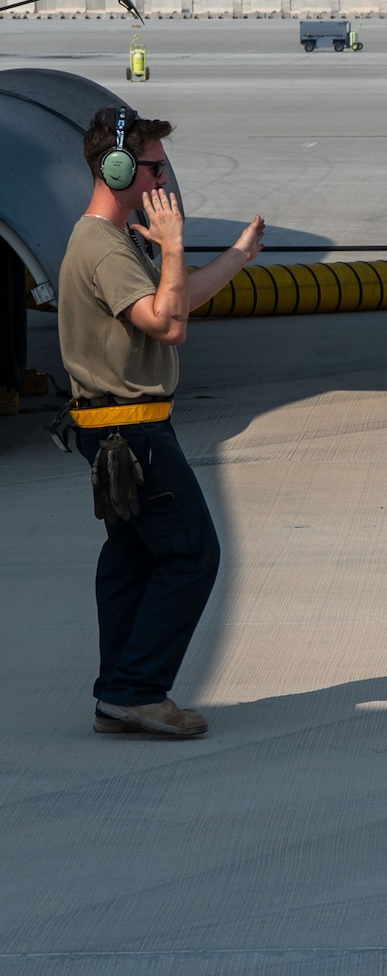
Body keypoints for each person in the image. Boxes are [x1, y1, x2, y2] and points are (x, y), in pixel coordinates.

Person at [57, 106, 263, 738]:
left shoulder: (113, 242)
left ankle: (117, 693)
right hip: (133, 432)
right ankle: (140, 689)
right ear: (117, 168)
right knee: (192, 555)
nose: (162, 181)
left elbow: (174, 299)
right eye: (152, 167)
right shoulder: (101, 247)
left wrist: (235, 257)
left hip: (119, 429)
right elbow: (170, 327)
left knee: (132, 560)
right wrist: (172, 244)